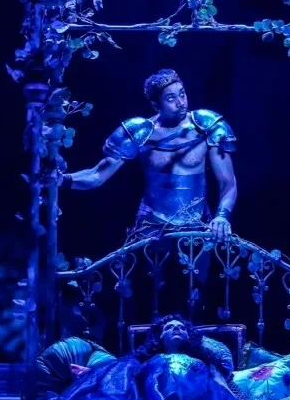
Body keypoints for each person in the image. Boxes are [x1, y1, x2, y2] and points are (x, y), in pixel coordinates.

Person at [59, 69, 238, 319]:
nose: (181, 102)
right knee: (147, 301)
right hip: (151, 226)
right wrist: (61, 180)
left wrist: (222, 216)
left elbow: (228, 183)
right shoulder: (140, 132)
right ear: (156, 104)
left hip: (195, 225)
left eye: (182, 94)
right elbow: (97, 176)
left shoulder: (206, 127)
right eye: (171, 98)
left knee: (195, 301)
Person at [34, 314, 290, 400]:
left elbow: (228, 390)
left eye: (182, 327)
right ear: (159, 336)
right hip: (152, 396)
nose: (176, 329)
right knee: (159, 366)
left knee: (187, 368)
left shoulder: (205, 362)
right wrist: (92, 376)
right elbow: (119, 379)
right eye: (169, 327)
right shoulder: (142, 362)